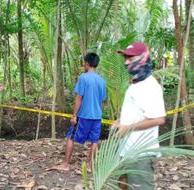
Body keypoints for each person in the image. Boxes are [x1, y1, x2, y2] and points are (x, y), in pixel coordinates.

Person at [114, 42, 166, 189]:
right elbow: (137, 112)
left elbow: (158, 118)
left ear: (143, 58)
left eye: (130, 58)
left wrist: (129, 127)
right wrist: (120, 122)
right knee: (121, 184)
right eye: (125, 58)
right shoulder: (135, 84)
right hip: (126, 150)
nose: (126, 62)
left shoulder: (150, 86)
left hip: (141, 153)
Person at [51, 52, 107, 172]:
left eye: (84, 63)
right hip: (97, 117)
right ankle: (89, 166)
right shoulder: (102, 81)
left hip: (83, 116)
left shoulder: (83, 77)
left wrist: (74, 115)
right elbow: (103, 102)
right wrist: (99, 113)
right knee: (94, 141)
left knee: (71, 137)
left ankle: (65, 164)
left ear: (87, 63)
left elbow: (79, 98)